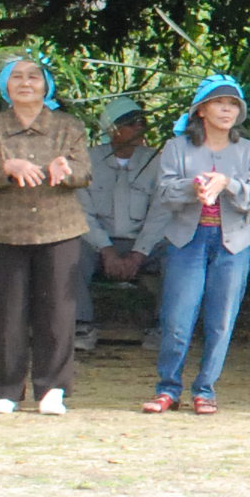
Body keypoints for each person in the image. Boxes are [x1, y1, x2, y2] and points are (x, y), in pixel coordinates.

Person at [0, 56, 92, 416]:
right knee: (7, 313)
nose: (25, 83)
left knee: (57, 314)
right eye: (16, 77)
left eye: (34, 76)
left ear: (46, 85)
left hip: (60, 227)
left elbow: (84, 172)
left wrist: (62, 171)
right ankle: (5, 390)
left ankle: (53, 389)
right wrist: (6, 167)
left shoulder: (69, 127)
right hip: (5, 231)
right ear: (5, 86)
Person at [148, 76, 250, 415]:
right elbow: (164, 193)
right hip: (187, 239)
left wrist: (228, 184)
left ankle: (206, 389)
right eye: (219, 103)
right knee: (177, 317)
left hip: (233, 244)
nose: (227, 109)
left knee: (221, 319)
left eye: (233, 104)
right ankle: (168, 387)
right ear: (201, 110)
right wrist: (194, 187)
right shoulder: (178, 148)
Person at [77, 94, 165, 350]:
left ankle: (163, 327)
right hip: (97, 243)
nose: (139, 127)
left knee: (179, 254)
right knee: (68, 252)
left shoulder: (157, 161)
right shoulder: (88, 160)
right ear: (112, 129)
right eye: (131, 122)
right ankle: (80, 325)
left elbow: (161, 213)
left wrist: (139, 253)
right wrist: (106, 250)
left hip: (145, 243)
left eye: (142, 121)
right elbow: (82, 212)